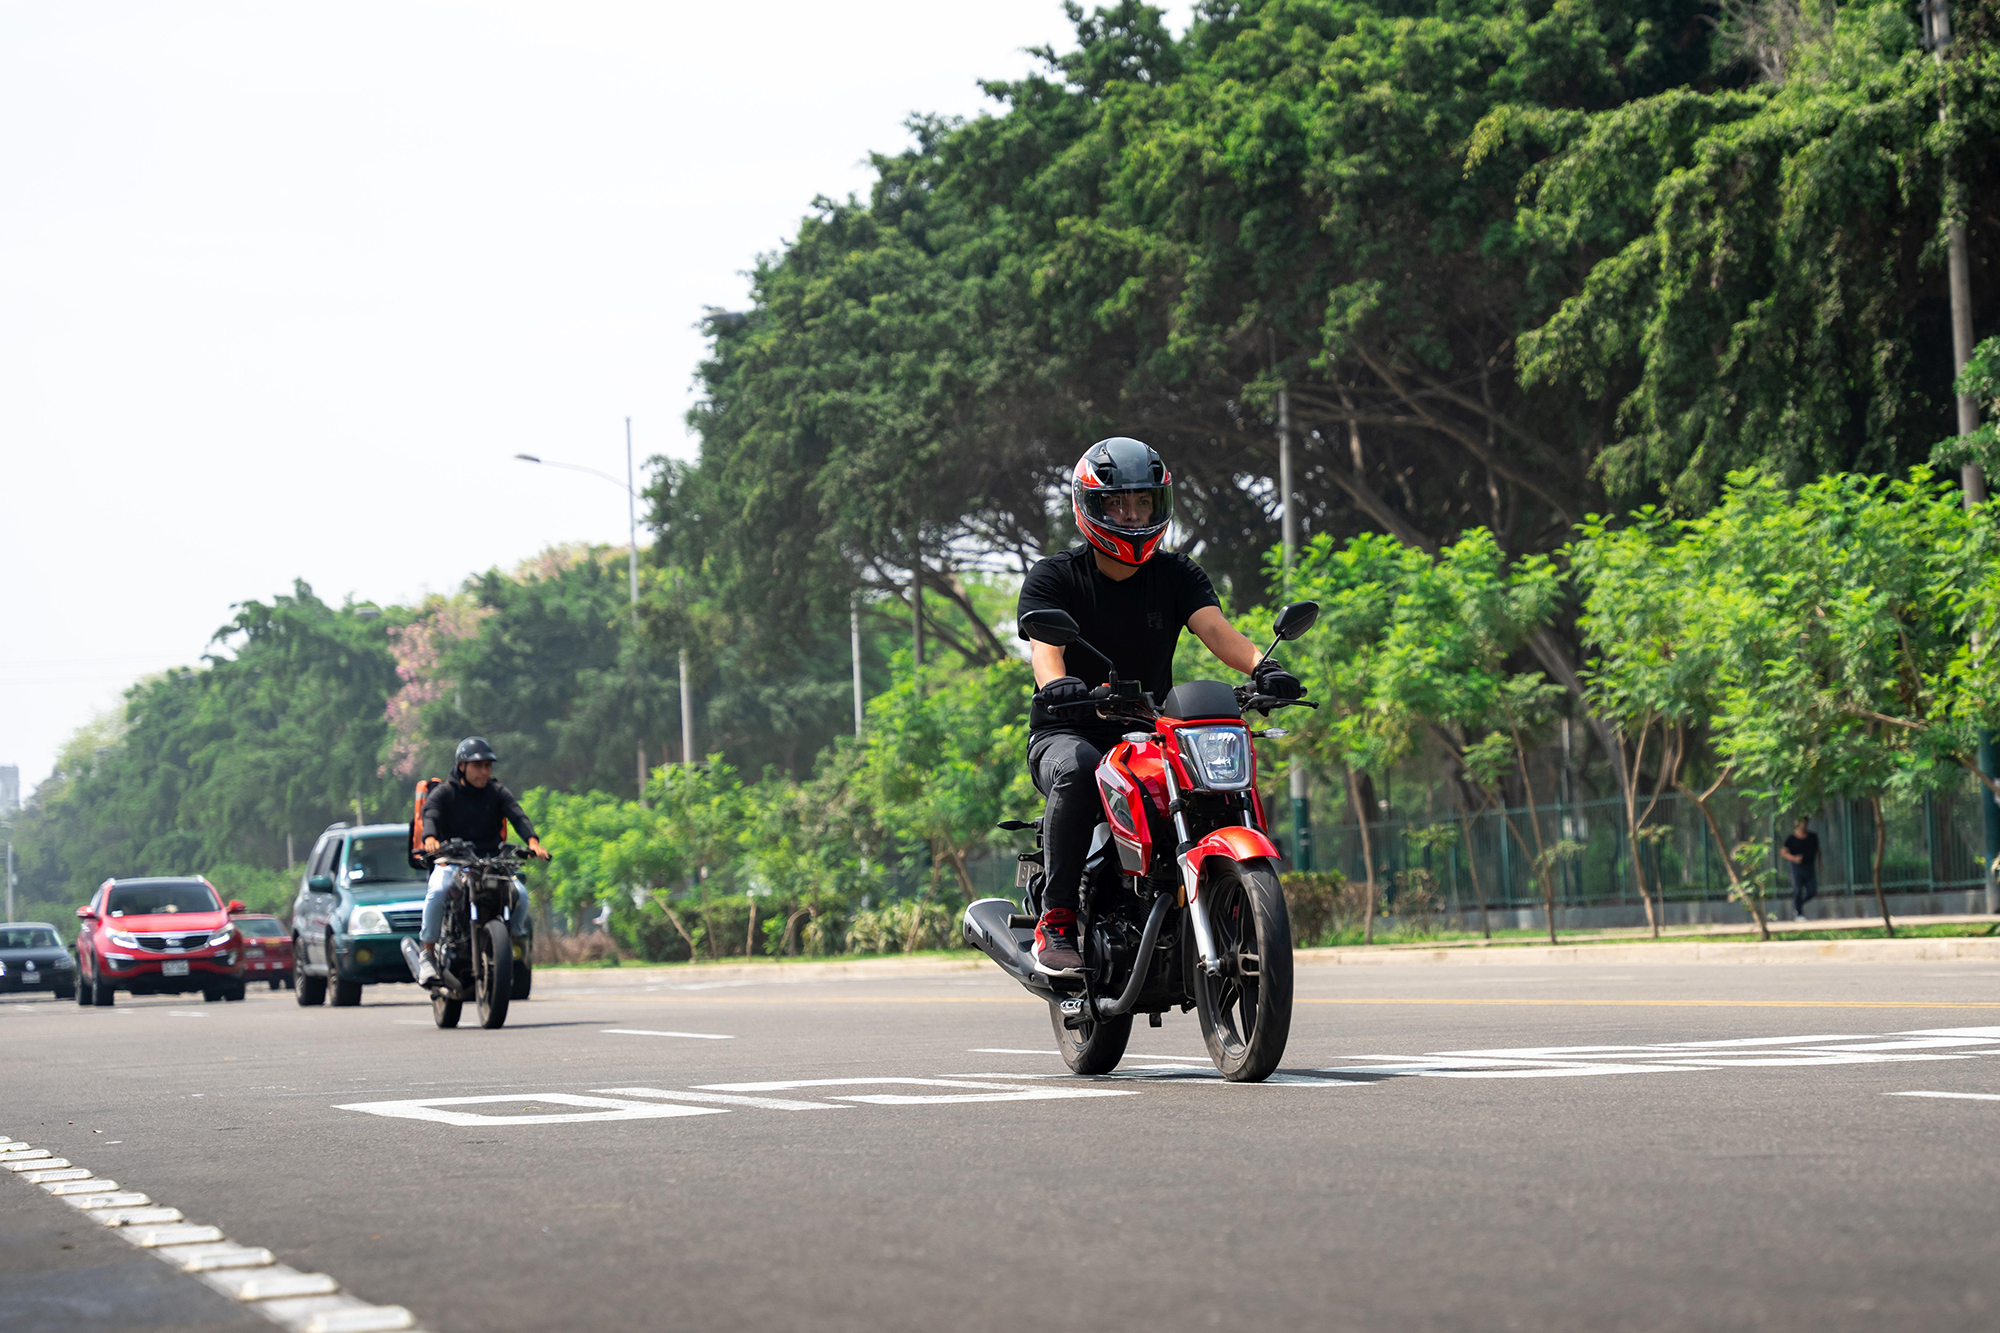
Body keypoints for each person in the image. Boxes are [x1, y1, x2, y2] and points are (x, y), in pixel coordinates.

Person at [1017, 436, 1302, 974]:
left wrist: (1263, 669)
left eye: (1143, 502)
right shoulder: (1054, 578)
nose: (1132, 514)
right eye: (1117, 503)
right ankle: (1055, 921)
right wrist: (1058, 686)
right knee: (1079, 771)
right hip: (1069, 730)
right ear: (1090, 506)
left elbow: (1215, 630)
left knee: (1212, 782)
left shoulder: (1177, 575)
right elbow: (1045, 651)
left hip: (1150, 730)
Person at [415, 737, 550, 985]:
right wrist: (431, 837)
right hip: (451, 861)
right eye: (478, 765)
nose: (485, 771)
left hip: (490, 861)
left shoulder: (497, 792)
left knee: (520, 893)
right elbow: (431, 813)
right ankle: (428, 954)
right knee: (437, 891)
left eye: (488, 766)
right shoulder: (445, 792)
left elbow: (517, 814)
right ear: (462, 766)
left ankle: (508, 943)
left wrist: (532, 840)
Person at [1781, 815, 1820, 921]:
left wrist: (1820, 864)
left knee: (1812, 891)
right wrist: (1794, 858)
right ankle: (1799, 913)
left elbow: (1817, 850)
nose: (1803, 825)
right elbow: (1784, 852)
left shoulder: (1812, 837)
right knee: (1797, 889)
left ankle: (1798, 905)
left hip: (1810, 867)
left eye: (1804, 823)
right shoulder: (1791, 838)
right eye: (1800, 822)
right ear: (1795, 823)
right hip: (1797, 868)